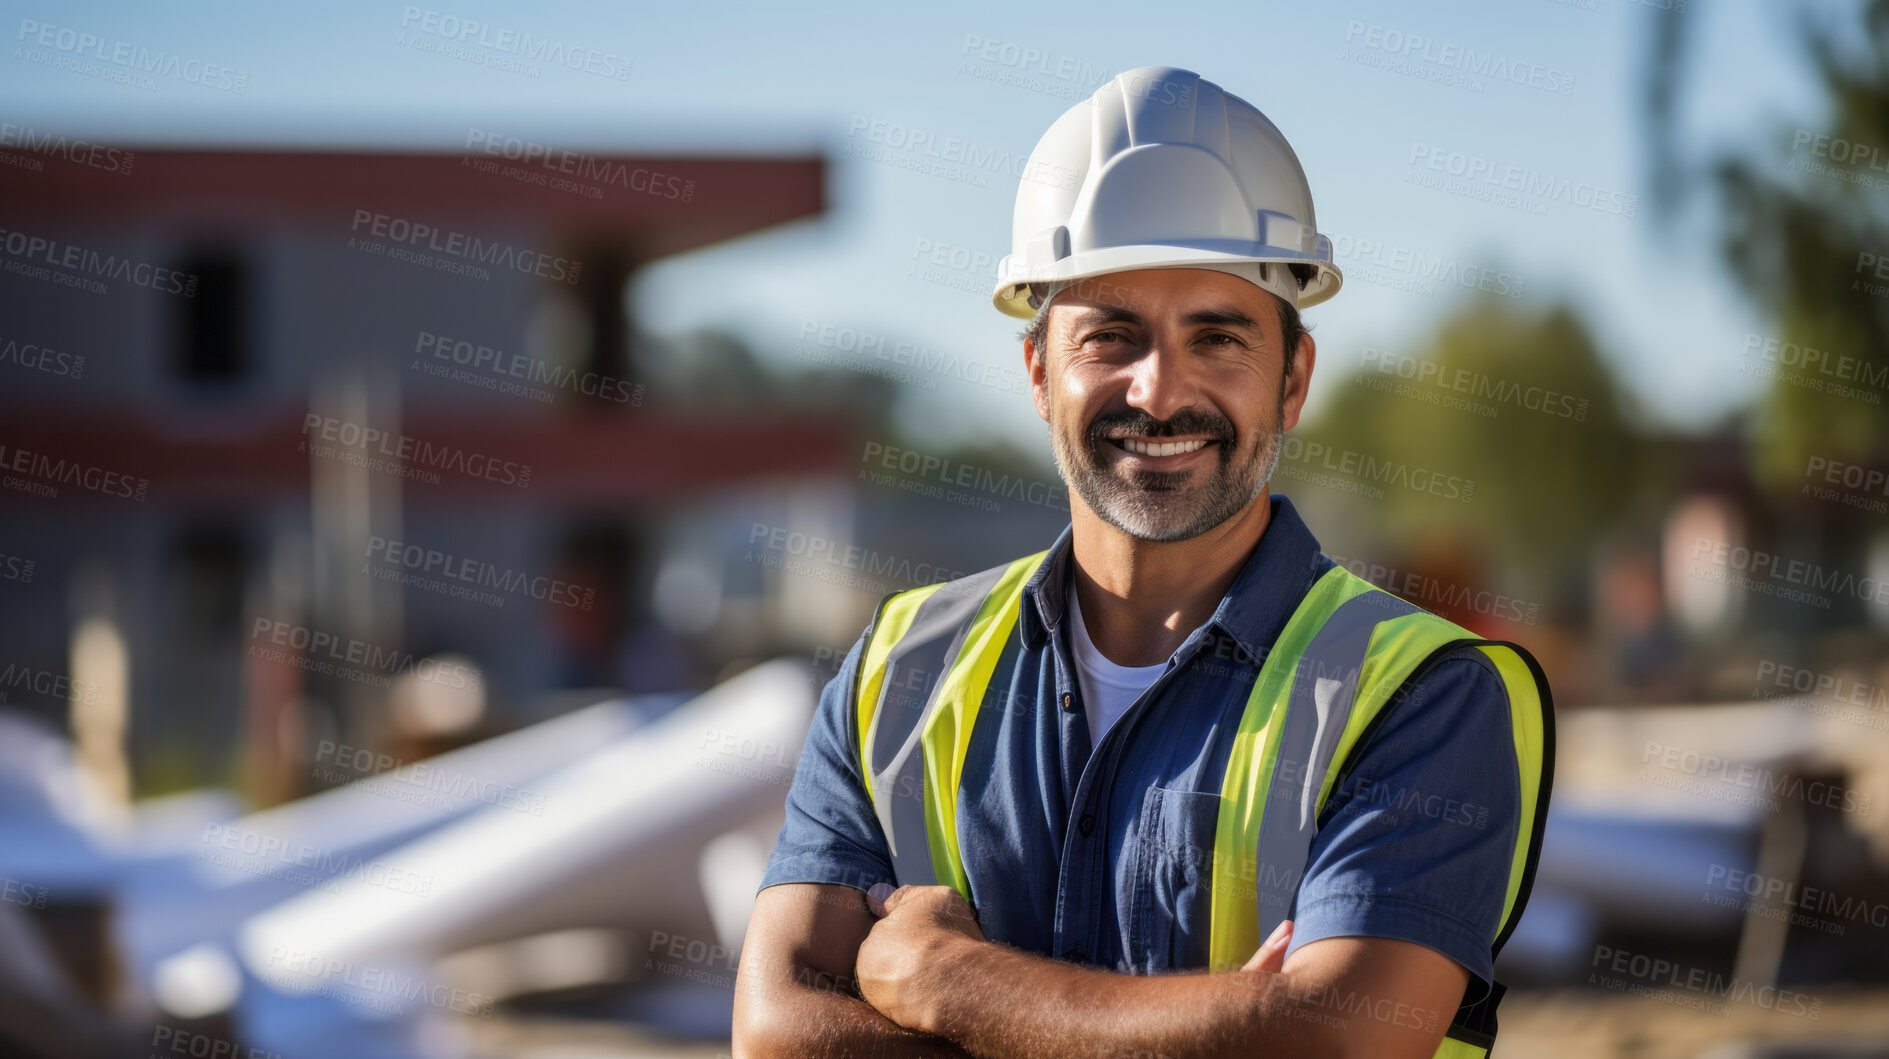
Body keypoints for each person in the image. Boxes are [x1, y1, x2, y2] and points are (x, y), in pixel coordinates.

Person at [733, 65, 1553, 1059]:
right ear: (1039, 372)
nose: (1159, 392)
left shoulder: (1419, 696)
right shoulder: (897, 672)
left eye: (1216, 338)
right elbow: (779, 1030)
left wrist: (949, 982)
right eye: (1110, 336)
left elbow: (1332, 1044)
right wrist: (1221, 1027)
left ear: (1290, 379)